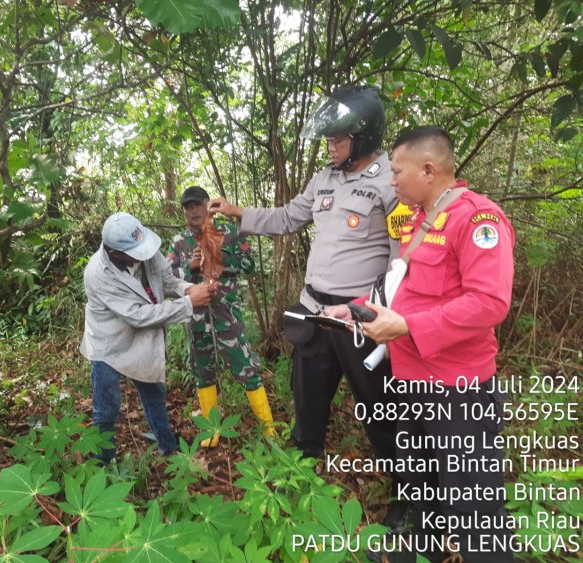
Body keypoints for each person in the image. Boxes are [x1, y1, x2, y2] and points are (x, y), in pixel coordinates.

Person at [210, 85, 411, 526]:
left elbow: (401, 260)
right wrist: (237, 211)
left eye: (338, 139)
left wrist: (382, 312)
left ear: (363, 136)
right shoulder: (324, 178)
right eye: (329, 140)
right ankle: (299, 471)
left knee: (380, 410)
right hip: (313, 310)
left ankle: (406, 498)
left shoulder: (389, 181)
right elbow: (287, 217)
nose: (331, 147)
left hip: (359, 318)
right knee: (308, 403)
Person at [326, 126, 515, 562]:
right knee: (419, 486)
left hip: (458, 392)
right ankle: (415, 553)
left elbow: (489, 303)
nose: (391, 180)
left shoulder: (478, 219)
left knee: (474, 508)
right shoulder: (417, 220)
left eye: (397, 171)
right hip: (411, 383)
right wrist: (351, 310)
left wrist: (408, 327)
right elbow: (400, 290)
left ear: (428, 170)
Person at [80, 212, 215, 463]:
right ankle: (105, 464)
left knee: (154, 394)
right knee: (106, 408)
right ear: (115, 252)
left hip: (141, 337)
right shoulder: (97, 273)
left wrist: (191, 289)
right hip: (109, 343)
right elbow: (138, 316)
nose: (144, 254)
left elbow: (167, 280)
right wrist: (188, 304)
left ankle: (168, 448)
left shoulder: (147, 251)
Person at [167, 185, 274, 447]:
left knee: (245, 366)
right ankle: (212, 432)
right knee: (203, 371)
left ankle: (270, 432)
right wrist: (189, 266)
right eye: (188, 207)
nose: (193, 211)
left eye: (197, 205)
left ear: (208, 205)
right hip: (197, 317)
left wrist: (219, 260)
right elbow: (169, 280)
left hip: (227, 313)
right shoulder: (179, 242)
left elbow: (249, 264)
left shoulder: (229, 232)